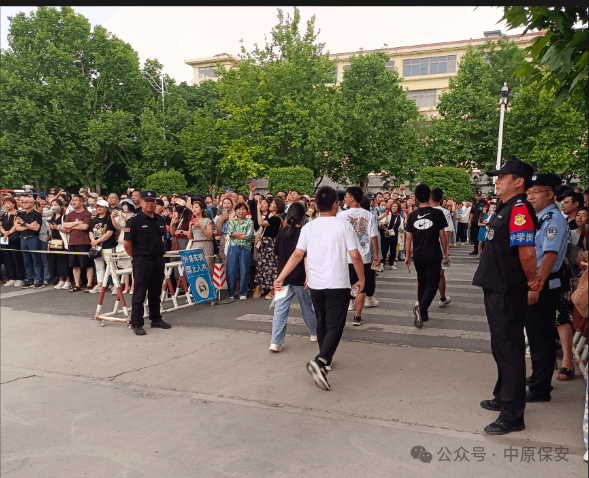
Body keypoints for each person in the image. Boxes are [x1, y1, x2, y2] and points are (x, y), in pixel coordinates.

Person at [274, 186, 364, 390]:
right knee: (335, 325)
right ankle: (321, 360)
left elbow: (297, 255)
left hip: (315, 284)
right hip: (338, 283)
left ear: (316, 205)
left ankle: (326, 362)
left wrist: (281, 277)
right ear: (335, 204)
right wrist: (361, 279)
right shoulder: (343, 226)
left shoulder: (309, 227)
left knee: (322, 321)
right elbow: (355, 255)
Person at [473, 159, 539, 436]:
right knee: (500, 347)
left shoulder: (520, 209)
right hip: (496, 286)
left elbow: (526, 251)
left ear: (518, 181)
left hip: (508, 289)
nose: (497, 181)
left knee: (510, 350)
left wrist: (533, 281)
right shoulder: (505, 207)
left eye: (502, 177)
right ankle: (502, 396)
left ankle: (512, 416)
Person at [524, 174, 572, 400]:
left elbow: (550, 255)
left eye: (536, 192)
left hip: (544, 282)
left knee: (541, 334)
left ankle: (541, 388)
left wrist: (536, 286)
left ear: (551, 194)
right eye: (529, 193)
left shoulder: (553, 219)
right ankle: (538, 377)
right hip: (538, 280)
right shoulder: (540, 217)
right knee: (535, 333)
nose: (531, 197)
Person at [269, 202, 317, 352]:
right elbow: (307, 256)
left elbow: (276, 252)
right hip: (301, 277)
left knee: (280, 310)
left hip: (283, 277)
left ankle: (275, 342)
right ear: (303, 217)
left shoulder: (282, 232)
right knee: (306, 307)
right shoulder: (305, 232)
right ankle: (314, 333)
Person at [123, 191, 171, 336]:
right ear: (141, 202)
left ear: (156, 203)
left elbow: (162, 239)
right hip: (142, 261)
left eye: (152, 201)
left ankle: (156, 319)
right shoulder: (134, 220)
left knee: (155, 291)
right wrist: (137, 256)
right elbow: (127, 244)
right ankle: (137, 323)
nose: (150, 203)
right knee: (139, 293)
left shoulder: (159, 219)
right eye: (147, 201)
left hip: (158, 260)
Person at [404, 184, 448, 328]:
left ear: (416, 197)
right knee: (433, 284)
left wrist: (407, 255)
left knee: (422, 282)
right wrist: (446, 250)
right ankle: (421, 308)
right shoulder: (437, 213)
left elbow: (408, 237)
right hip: (433, 254)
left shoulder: (412, 215)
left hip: (418, 255)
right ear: (429, 196)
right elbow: (442, 235)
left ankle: (423, 314)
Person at [339, 187, 380, 325]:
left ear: (352, 198)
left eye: (346, 196)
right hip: (364, 256)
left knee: (347, 285)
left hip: (347, 256)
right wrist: (376, 254)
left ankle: (345, 311)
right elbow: (374, 237)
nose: (345, 199)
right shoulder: (368, 215)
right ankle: (357, 317)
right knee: (361, 285)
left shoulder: (341, 216)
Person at [61, 194, 94, 292]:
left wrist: (71, 226)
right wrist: (77, 223)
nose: (73, 202)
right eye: (72, 200)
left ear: (82, 202)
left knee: (88, 264)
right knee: (74, 264)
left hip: (84, 242)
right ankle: (77, 284)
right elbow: (64, 225)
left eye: (75, 200)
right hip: (72, 242)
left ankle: (89, 284)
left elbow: (85, 227)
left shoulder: (87, 213)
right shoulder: (70, 214)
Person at [253, 197, 284, 300]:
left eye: (273, 203)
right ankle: (260, 286)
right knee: (262, 265)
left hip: (272, 244)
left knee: (271, 266)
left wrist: (258, 209)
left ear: (278, 206)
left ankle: (272, 289)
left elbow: (261, 223)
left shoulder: (277, 218)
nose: (270, 204)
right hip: (265, 243)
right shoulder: (270, 216)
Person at [14, 195, 45, 289]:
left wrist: (23, 223)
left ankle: (39, 280)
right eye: (23, 202)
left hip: (33, 238)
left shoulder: (37, 214)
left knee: (36, 260)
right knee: (26, 260)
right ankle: (29, 279)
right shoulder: (20, 214)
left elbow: (36, 228)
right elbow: (17, 228)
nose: (24, 204)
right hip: (23, 238)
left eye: (26, 202)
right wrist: (29, 226)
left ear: (32, 203)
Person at [430, 187, 454, 308]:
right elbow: (447, 232)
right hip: (439, 247)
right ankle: (442, 298)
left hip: (423, 248)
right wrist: (446, 249)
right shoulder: (444, 212)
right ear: (441, 198)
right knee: (440, 274)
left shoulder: (422, 211)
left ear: (430, 197)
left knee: (422, 275)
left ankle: (419, 300)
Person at [225, 203, 255, 300]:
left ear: (246, 211)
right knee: (231, 270)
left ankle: (243, 293)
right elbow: (230, 234)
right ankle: (231, 293)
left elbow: (249, 236)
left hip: (245, 248)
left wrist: (236, 235)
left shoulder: (250, 222)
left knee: (244, 270)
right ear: (236, 210)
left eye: (243, 209)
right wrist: (243, 233)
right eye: (239, 209)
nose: (241, 211)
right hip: (233, 247)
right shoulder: (232, 221)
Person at [88, 199, 116, 293]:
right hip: (96, 246)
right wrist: (93, 241)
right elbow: (91, 231)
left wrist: (97, 241)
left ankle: (116, 285)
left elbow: (109, 233)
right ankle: (100, 285)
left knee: (111, 267)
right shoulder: (94, 219)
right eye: (98, 207)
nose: (99, 208)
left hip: (108, 245)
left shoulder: (109, 219)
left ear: (106, 208)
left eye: (101, 207)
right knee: (99, 267)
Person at [110, 199, 135, 294]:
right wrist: (112, 217)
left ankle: (133, 287)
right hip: (121, 240)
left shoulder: (134, 215)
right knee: (124, 266)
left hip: (130, 239)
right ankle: (126, 286)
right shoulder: (120, 214)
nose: (125, 206)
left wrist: (127, 221)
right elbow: (116, 226)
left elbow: (134, 228)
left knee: (132, 265)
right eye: (123, 204)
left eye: (126, 204)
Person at [47, 199, 71, 290]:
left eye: (55, 204)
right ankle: (61, 280)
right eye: (52, 205)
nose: (54, 206)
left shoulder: (64, 217)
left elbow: (67, 230)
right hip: (54, 241)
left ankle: (68, 280)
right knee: (56, 261)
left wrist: (57, 227)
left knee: (64, 261)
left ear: (61, 206)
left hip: (63, 241)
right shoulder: (52, 217)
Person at [1, 197, 25, 287]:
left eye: (8, 203)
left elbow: (16, 226)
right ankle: (12, 277)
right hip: (5, 238)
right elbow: (0, 225)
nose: (6, 205)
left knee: (16, 258)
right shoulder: (4, 215)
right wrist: (4, 233)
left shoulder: (18, 214)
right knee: (8, 258)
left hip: (14, 238)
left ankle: (20, 278)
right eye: (5, 203)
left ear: (14, 204)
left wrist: (8, 233)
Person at [187, 199, 214, 277]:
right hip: (195, 244)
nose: (194, 209)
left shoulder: (207, 220)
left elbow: (210, 235)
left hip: (206, 244)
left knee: (207, 267)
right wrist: (190, 226)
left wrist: (200, 226)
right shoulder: (192, 221)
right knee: (196, 269)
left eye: (196, 207)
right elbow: (190, 237)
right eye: (193, 207)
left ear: (202, 209)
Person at [469, 190, 487, 255]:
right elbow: (472, 212)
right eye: (478, 195)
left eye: (480, 196)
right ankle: (476, 249)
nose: (479, 197)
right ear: (475, 196)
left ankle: (483, 250)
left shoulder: (484, 202)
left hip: (481, 222)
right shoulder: (474, 203)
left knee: (482, 237)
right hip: (474, 222)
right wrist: (470, 220)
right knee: (474, 236)